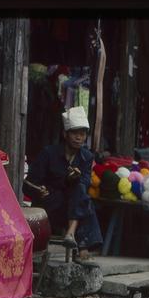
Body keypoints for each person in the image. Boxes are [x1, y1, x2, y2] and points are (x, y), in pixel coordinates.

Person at [23, 106, 103, 260]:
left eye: (83, 134)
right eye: (75, 133)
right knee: (84, 203)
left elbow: (85, 183)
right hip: (50, 206)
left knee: (80, 189)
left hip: (72, 207)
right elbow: (28, 185)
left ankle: (71, 233)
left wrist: (75, 179)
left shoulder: (86, 157)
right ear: (65, 134)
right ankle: (82, 246)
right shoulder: (48, 154)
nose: (79, 137)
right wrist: (39, 191)